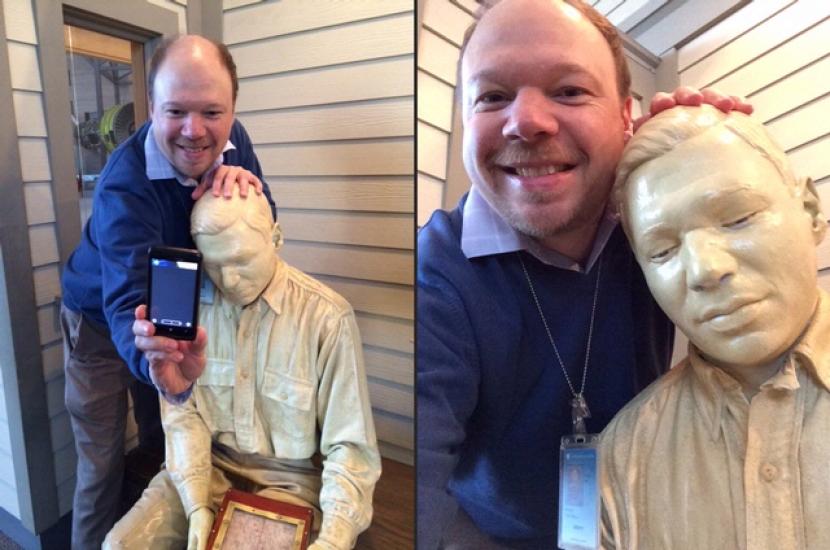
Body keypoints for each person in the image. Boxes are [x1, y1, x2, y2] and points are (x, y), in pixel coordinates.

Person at [416, 0, 753, 547]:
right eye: (493, 96)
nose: (525, 121)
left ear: (625, 117)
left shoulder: (662, 224)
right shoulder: (433, 278)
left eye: (569, 91)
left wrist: (700, 170)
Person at [60, 35, 274, 549]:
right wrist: (153, 361)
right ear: (152, 108)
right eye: (176, 110)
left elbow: (266, 225)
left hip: (169, 307)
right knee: (102, 463)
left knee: (163, 441)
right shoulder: (123, 186)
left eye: (211, 112)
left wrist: (248, 194)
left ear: (232, 109)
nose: (195, 131)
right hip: (98, 322)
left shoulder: (234, 138)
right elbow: (123, 300)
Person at [601, 105, 829, 549]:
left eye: (738, 217)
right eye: (662, 251)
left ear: (810, 210)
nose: (705, 269)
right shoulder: (623, 455)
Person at [104, 189, 381, 550]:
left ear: (276, 238)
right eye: (214, 265)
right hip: (203, 465)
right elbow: (182, 416)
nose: (229, 280)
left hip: (291, 483)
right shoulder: (188, 308)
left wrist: (334, 538)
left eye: (241, 260)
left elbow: (350, 446)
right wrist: (196, 502)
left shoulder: (327, 318)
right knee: (118, 545)